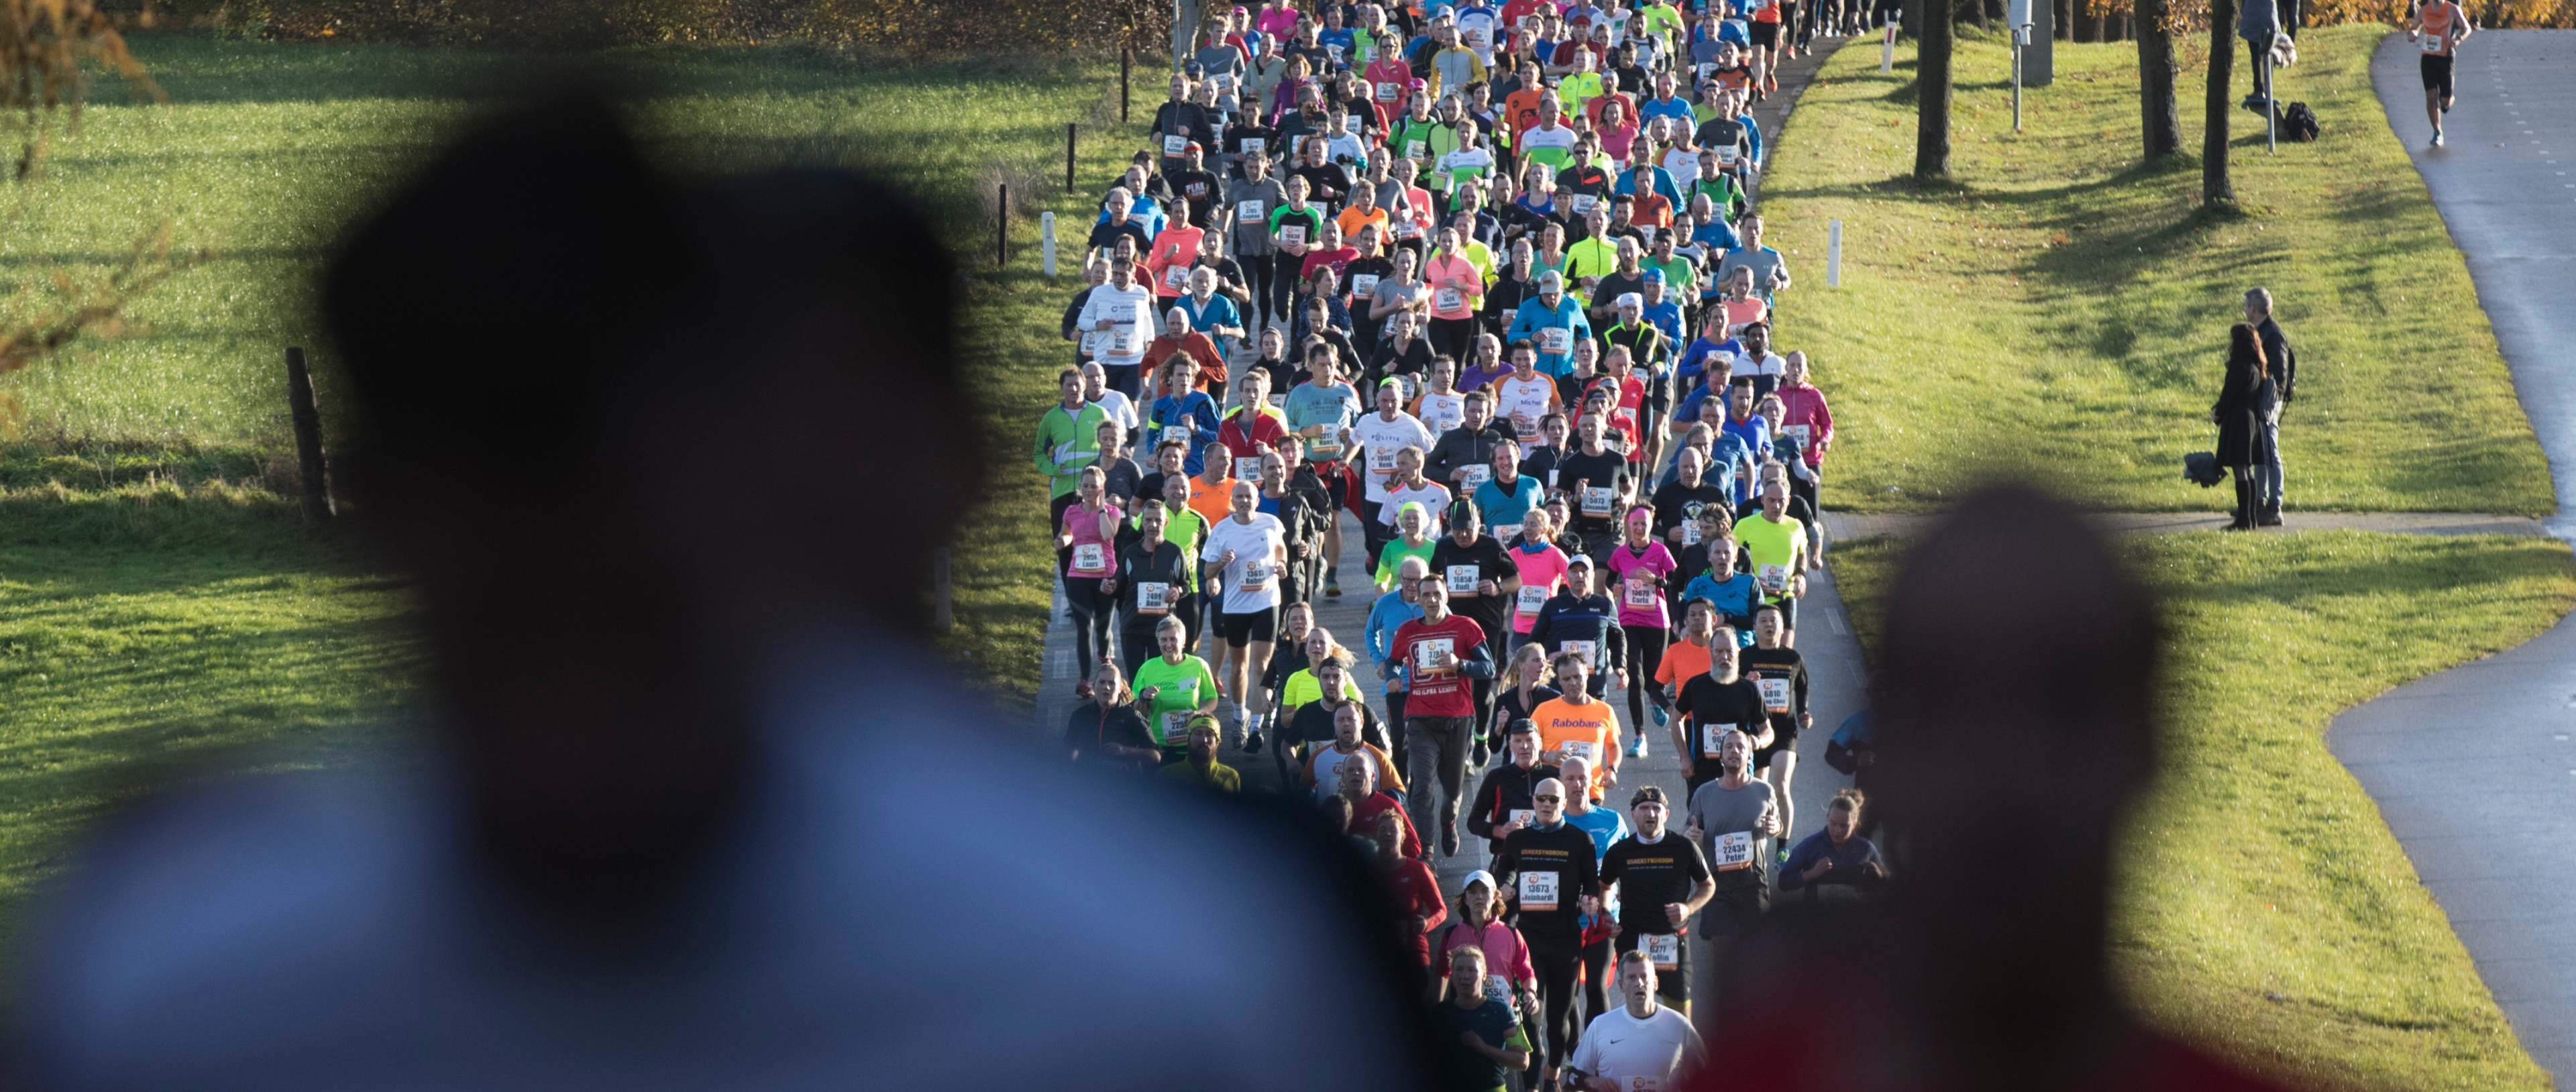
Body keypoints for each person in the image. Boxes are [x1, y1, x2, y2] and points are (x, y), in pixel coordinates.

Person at [28, 96, 1420, 1092]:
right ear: (380, 528)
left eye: (630, 581)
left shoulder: (1163, 970)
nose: (570, 660)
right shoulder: (170, 991)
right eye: (507, 568)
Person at [1493, 775, 1605, 1092]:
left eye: (1553, 800)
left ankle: (1553, 1073)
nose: (1546, 804)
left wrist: (1589, 899)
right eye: (1541, 798)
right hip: (1528, 939)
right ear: (1533, 801)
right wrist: (1507, 886)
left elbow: (1591, 882)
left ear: (1563, 803)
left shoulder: (1580, 840)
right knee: (1532, 1017)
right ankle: (1532, 1084)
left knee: (1558, 1022)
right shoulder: (1517, 839)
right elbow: (1508, 868)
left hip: (1566, 939)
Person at [1391, 575, 1497, 857]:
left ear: (1446, 596)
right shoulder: (1407, 631)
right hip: (1420, 720)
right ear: (1419, 599)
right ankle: (1426, 850)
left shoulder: (1465, 627)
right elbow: (1390, 664)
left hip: (1458, 719)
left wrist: (1459, 664)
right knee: (1422, 787)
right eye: (1426, 595)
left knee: (1452, 794)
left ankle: (1448, 823)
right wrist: (1390, 676)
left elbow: (1488, 669)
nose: (1432, 600)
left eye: (1437, 594)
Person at [1680, 726, 1779, 1000]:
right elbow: (1688, 831)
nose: (1735, 751)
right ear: (1720, 756)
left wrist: (1775, 826)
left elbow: (1775, 824)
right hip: (1717, 885)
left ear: (1749, 755)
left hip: (1753, 881)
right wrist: (1692, 836)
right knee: (1723, 959)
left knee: (1757, 954)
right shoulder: (1704, 793)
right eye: (1729, 747)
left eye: (1740, 747)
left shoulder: (1764, 791)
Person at [1203, 479, 1291, 740]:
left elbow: (1280, 548)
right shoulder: (1222, 529)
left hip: (1266, 602)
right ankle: (1239, 716)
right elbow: (1207, 570)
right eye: (1239, 497)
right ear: (1233, 501)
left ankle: (1257, 722)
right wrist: (1221, 563)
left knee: (1261, 665)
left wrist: (1282, 564)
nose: (1244, 501)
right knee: (1239, 667)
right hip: (1236, 606)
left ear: (1257, 500)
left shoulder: (1270, 523)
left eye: (1248, 497)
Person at [1565, 951, 1706, 1092]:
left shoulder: (1680, 1026)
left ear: (1655, 983)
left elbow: (1706, 1076)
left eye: (1644, 977)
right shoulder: (1601, 1026)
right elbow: (1573, 1075)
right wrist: (1591, 1081)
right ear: (1621, 985)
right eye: (1632, 978)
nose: (1639, 983)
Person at [1604, 505, 1678, 753]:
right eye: (1635, 524)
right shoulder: (1621, 553)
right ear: (1629, 525)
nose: (1639, 528)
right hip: (1629, 620)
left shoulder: (1660, 552)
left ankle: (1656, 699)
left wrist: (1657, 581)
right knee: (1635, 677)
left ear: (1650, 526)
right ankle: (1640, 737)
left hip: (1657, 621)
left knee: (1653, 678)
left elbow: (1676, 582)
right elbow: (1610, 578)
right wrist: (1615, 588)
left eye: (1644, 524)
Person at [1738, 601, 1811, 849]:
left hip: (1785, 732)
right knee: (1758, 793)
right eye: (1764, 621)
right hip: (1756, 732)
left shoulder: (1792, 658)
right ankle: (1756, 842)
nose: (1770, 625)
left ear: (1782, 628)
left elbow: (1801, 688)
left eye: (1774, 621)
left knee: (1780, 786)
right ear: (1755, 628)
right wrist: (1744, 682)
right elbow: (1733, 690)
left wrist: (1803, 713)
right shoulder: (1745, 657)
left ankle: (1782, 848)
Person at [1673, 625, 1765, 801]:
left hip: (1740, 770)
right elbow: (1676, 719)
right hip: (1702, 770)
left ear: (1738, 652)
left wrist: (1758, 740)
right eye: (1719, 651)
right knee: (1700, 825)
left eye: (1729, 652)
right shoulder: (1696, 686)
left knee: (1742, 823)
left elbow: (1767, 731)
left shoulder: (1748, 689)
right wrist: (1684, 757)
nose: (1724, 657)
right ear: (1710, 652)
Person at [1429, 946, 1536, 1092]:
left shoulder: (1501, 1010)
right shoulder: (1441, 1012)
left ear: (1484, 976)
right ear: (1452, 975)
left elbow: (1523, 1061)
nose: (1465, 976)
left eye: (1472, 970)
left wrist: (1483, 1048)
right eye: (1459, 970)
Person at [1372, 809, 1450, 992]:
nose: (1388, 833)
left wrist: (1426, 923)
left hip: (1414, 952)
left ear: (1403, 836)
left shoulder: (1418, 870)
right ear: (1375, 835)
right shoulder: (1367, 870)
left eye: (1393, 830)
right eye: (1382, 830)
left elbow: (1441, 910)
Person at [1057, 466, 1125, 676]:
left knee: (1103, 630)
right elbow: (1067, 534)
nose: (1088, 490)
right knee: (1084, 629)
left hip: (1106, 576)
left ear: (1101, 488)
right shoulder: (1071, 512)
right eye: (1085, 486)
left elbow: (1107, 534)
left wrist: (1103, 507)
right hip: (1078, 577)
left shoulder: (1112, 512)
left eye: (1094, 486)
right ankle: (1085, 679)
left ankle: (1104, 655)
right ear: (1080, 487)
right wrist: (1062, 541)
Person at [2209, 321, 2275, 532]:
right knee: (2248, 469)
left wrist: (2217, 411)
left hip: (2238, 419)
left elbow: (2229, 394)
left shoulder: (2240, 366)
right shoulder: (2257, 366)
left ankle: (2244, 519)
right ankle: (2251, 517)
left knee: (2240, 469)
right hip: (2251, 419)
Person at [1134, 614, 1224, 761]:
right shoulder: (1147, 668)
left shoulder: (1198, 665)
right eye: (1163, 640)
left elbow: (1212, 699)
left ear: (1183, 641)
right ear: (1158, 641)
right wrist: (1143, 698)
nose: (1168, 644)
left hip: (1191, 744)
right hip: (1159, 745)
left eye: (1173, 639)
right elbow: (1137, 712)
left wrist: (1200, 713)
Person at [1466, 718, 1562, 853]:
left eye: (1530, 740)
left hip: (1547, 855)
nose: (1524, 746)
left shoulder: (1555, 777)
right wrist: (1499, 831)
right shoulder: (1497, 777)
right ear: (1511, 746)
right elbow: (1474, 822)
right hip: (1507, 855)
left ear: (1540, 744)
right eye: (1518, 741)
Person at [1778, 788, 1886, 902]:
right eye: (1833, 823)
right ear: (1827, 818)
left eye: (1844, 826)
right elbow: (1783, 882)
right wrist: (1812, 873)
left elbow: (1887, 884)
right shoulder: (1811, 845)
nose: (1837, 830)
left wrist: (1879, 876)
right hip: (1817, 914)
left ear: (1854, 825)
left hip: (1852, 914)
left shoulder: (1866, 848)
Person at [2244, 287, 2294, 527]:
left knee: (2269, 450)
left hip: (2269, 400)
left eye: (2246, 306)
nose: (2245, 310)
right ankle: (2258, 504)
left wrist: (2266, 394)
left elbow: (2280, 373)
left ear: (2254, 308)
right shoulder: (2260, 331)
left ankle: (2275, 506)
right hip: (2262, 398)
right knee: (2260, 452)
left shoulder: (2273, 334)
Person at [1303, 687, 1406, 802]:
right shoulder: (1318, 758)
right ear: (1334, 723)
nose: (1346, 724)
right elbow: (1303, 792)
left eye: (1351, 719)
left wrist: (1371, 798)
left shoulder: (1378, 757)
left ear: (1362, 723)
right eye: (1341, 720)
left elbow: (1399, 794)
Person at [1064, 659, 1162, 771]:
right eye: (1102, 682)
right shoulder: (1080, 715)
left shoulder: (1132, 716)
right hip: (1088, 782)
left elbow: (1155, 757)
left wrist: (1126, 750)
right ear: (1094, 685)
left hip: (1123, 782)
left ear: (1120, 688)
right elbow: (1069, 748)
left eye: (1112, 683)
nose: (1107, 687)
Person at [2408, 0, 2471, 147]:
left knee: (2444, 101)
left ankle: (2449, 101)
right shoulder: (2424, 10)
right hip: (2428, 58)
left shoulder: (2453, 10)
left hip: (2446, 57)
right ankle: (2437, 132)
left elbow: (2466, 28)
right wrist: (2413, 33)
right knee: (2431, 95)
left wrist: (2458, 39)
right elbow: (2414, 27)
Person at [1161, 715, 1244, 791]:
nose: (1204, 740)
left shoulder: (1230, 776)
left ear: (1217, 742)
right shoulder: (1167, 775)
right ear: (1188, 739)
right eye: (1198, 734)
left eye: (1209, 735)